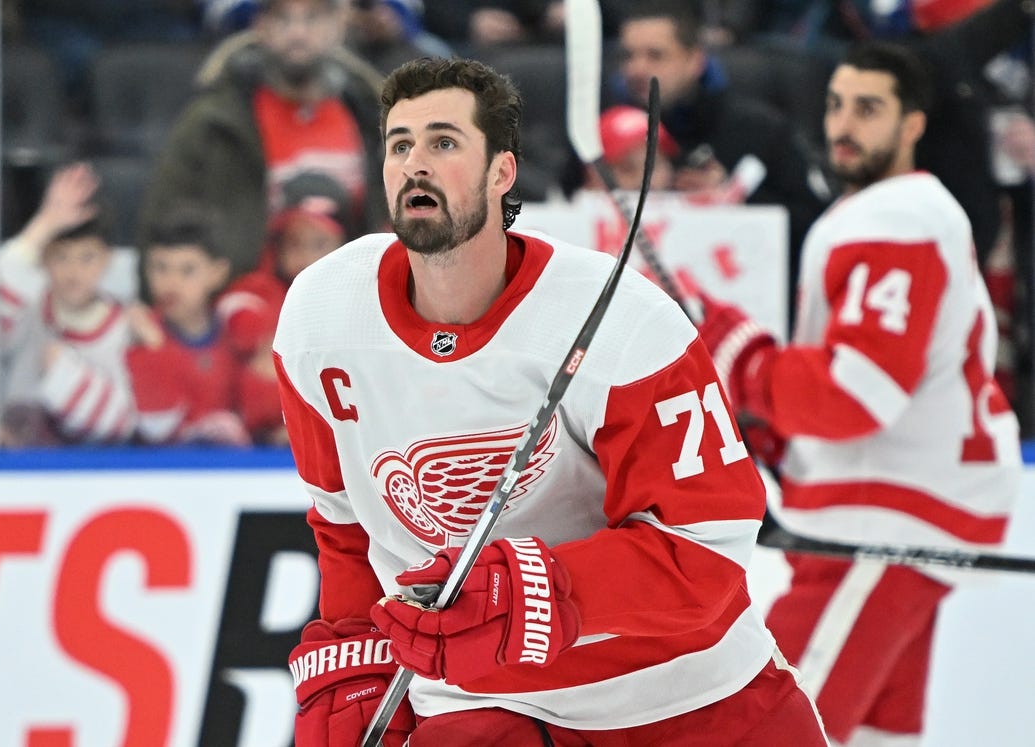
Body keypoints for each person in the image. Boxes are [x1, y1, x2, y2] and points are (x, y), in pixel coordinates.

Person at [273, 56, 829, 746]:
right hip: (487, 704)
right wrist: (356, 655)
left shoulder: (622, 319)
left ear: (501, 171)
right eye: (400, 144)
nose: (415, 163)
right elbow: (344, 525)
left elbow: (704, 550)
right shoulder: (321, 317)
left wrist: (546, 588)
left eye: (443, 142)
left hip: (690, 696)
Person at [694, 40, 1022, 745]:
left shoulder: (895, 219)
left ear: (911, 124)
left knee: (766, 729)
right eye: (837, 105)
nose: (843, 124)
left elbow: (854, 395)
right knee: (870, 736)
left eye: (867, 109)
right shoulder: (891, 211)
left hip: (883, 522)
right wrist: (782, 423)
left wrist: (741, 357)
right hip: (894, 512)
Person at [613, 0, 833, 325]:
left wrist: (737, 201)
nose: (637, 69)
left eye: (655, 55)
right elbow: (563, 210)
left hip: (737, 316)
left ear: (695, 60)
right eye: (628, 56)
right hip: (631, 316)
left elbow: (815, 223)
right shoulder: (604, 130)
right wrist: (607, 189)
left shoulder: (759, 130)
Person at [139, 0, 386, 288]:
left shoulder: (374, 115)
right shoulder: (214, 119)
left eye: (313, 18)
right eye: (282, 19)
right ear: (261, 27)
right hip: (237, 311)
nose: (297, 33)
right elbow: (162, 216)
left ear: (339, 24)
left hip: (353, 298)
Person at [0, 162, 137, 447]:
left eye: (87, 258)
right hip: (14, 470)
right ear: (44, 258)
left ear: (108, 259)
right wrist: (44, 226)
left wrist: (64, 375)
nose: (74, 272)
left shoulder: (126, 326)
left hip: (90, 478)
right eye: (62, 257)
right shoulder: (28, 306)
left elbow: (122, 425)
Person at [217, 171, 351, 443]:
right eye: (295, 243)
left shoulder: (362, 298)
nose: (306, 256)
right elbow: (243, 331)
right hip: (262, 450)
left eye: (319, 244)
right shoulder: (255, 291)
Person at [126, 203, 254, 446]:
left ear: (217, 273)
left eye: (187, 270)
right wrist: (154, 347)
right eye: (160, 268)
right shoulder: (138, 335)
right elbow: (155, 430)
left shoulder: (236, 331)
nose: (171, 282)